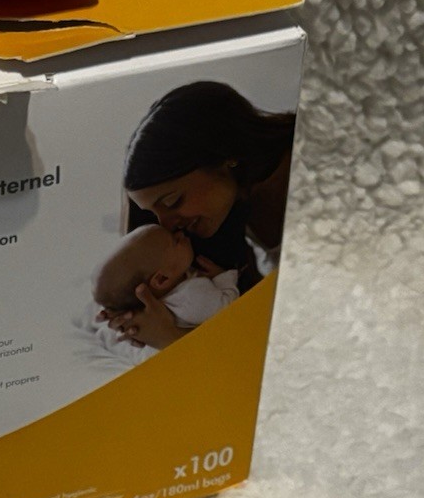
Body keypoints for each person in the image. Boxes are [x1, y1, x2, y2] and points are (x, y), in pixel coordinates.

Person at [97, 81, 295, 350]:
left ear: (224, 156)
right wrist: (137, 311)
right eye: (153, 213)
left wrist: (172, 338)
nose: (167, 225)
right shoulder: (228, 219)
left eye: (173, 201)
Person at [92, 223, 240, 333]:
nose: (180, 233)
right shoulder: (191, 296)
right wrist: (223, 276)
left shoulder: (159, 299)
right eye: (175, 241)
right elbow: (229, 307)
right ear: (162, 279)